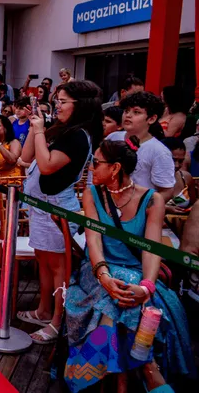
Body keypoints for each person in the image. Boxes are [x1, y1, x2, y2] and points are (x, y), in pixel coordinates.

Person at [64, 139, 195, 392]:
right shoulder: (92, 195)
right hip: (97, 271)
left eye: (96, 163)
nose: (91, 168)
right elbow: (94, 241)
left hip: (135, 274)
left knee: (120, 301)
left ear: (114, 169)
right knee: (119, 297)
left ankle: (100, 374)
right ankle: (150, 372)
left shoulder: (152, 200)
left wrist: (146, 287)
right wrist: (104, 277)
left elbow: (151, 247)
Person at [16, 80, 103, 344]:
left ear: (81, 105)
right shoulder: (63, 130)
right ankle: (43, 310)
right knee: (43, 260)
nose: (58, 106)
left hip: (56, 208)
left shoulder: (79, 136)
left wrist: (41, 131)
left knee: (58, 267)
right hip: (40, 206)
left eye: (63, 101)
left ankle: (57, 321)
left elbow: (46, 165)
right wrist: (35, 127)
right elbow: (29, 156)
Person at [106, 92, 174, 199]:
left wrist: (143, 207)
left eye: (136, 112)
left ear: (151, 119)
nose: (128, 115)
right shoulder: (112, 138)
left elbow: (166, 191)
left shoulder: (159, 151)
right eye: (126, 111)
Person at [162, 138, 196, 215]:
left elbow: (194, 205)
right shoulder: (148, 178)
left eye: (180, 161)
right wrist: (166, 208)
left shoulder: (186, 177)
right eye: (173, 160)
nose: (176, 165)